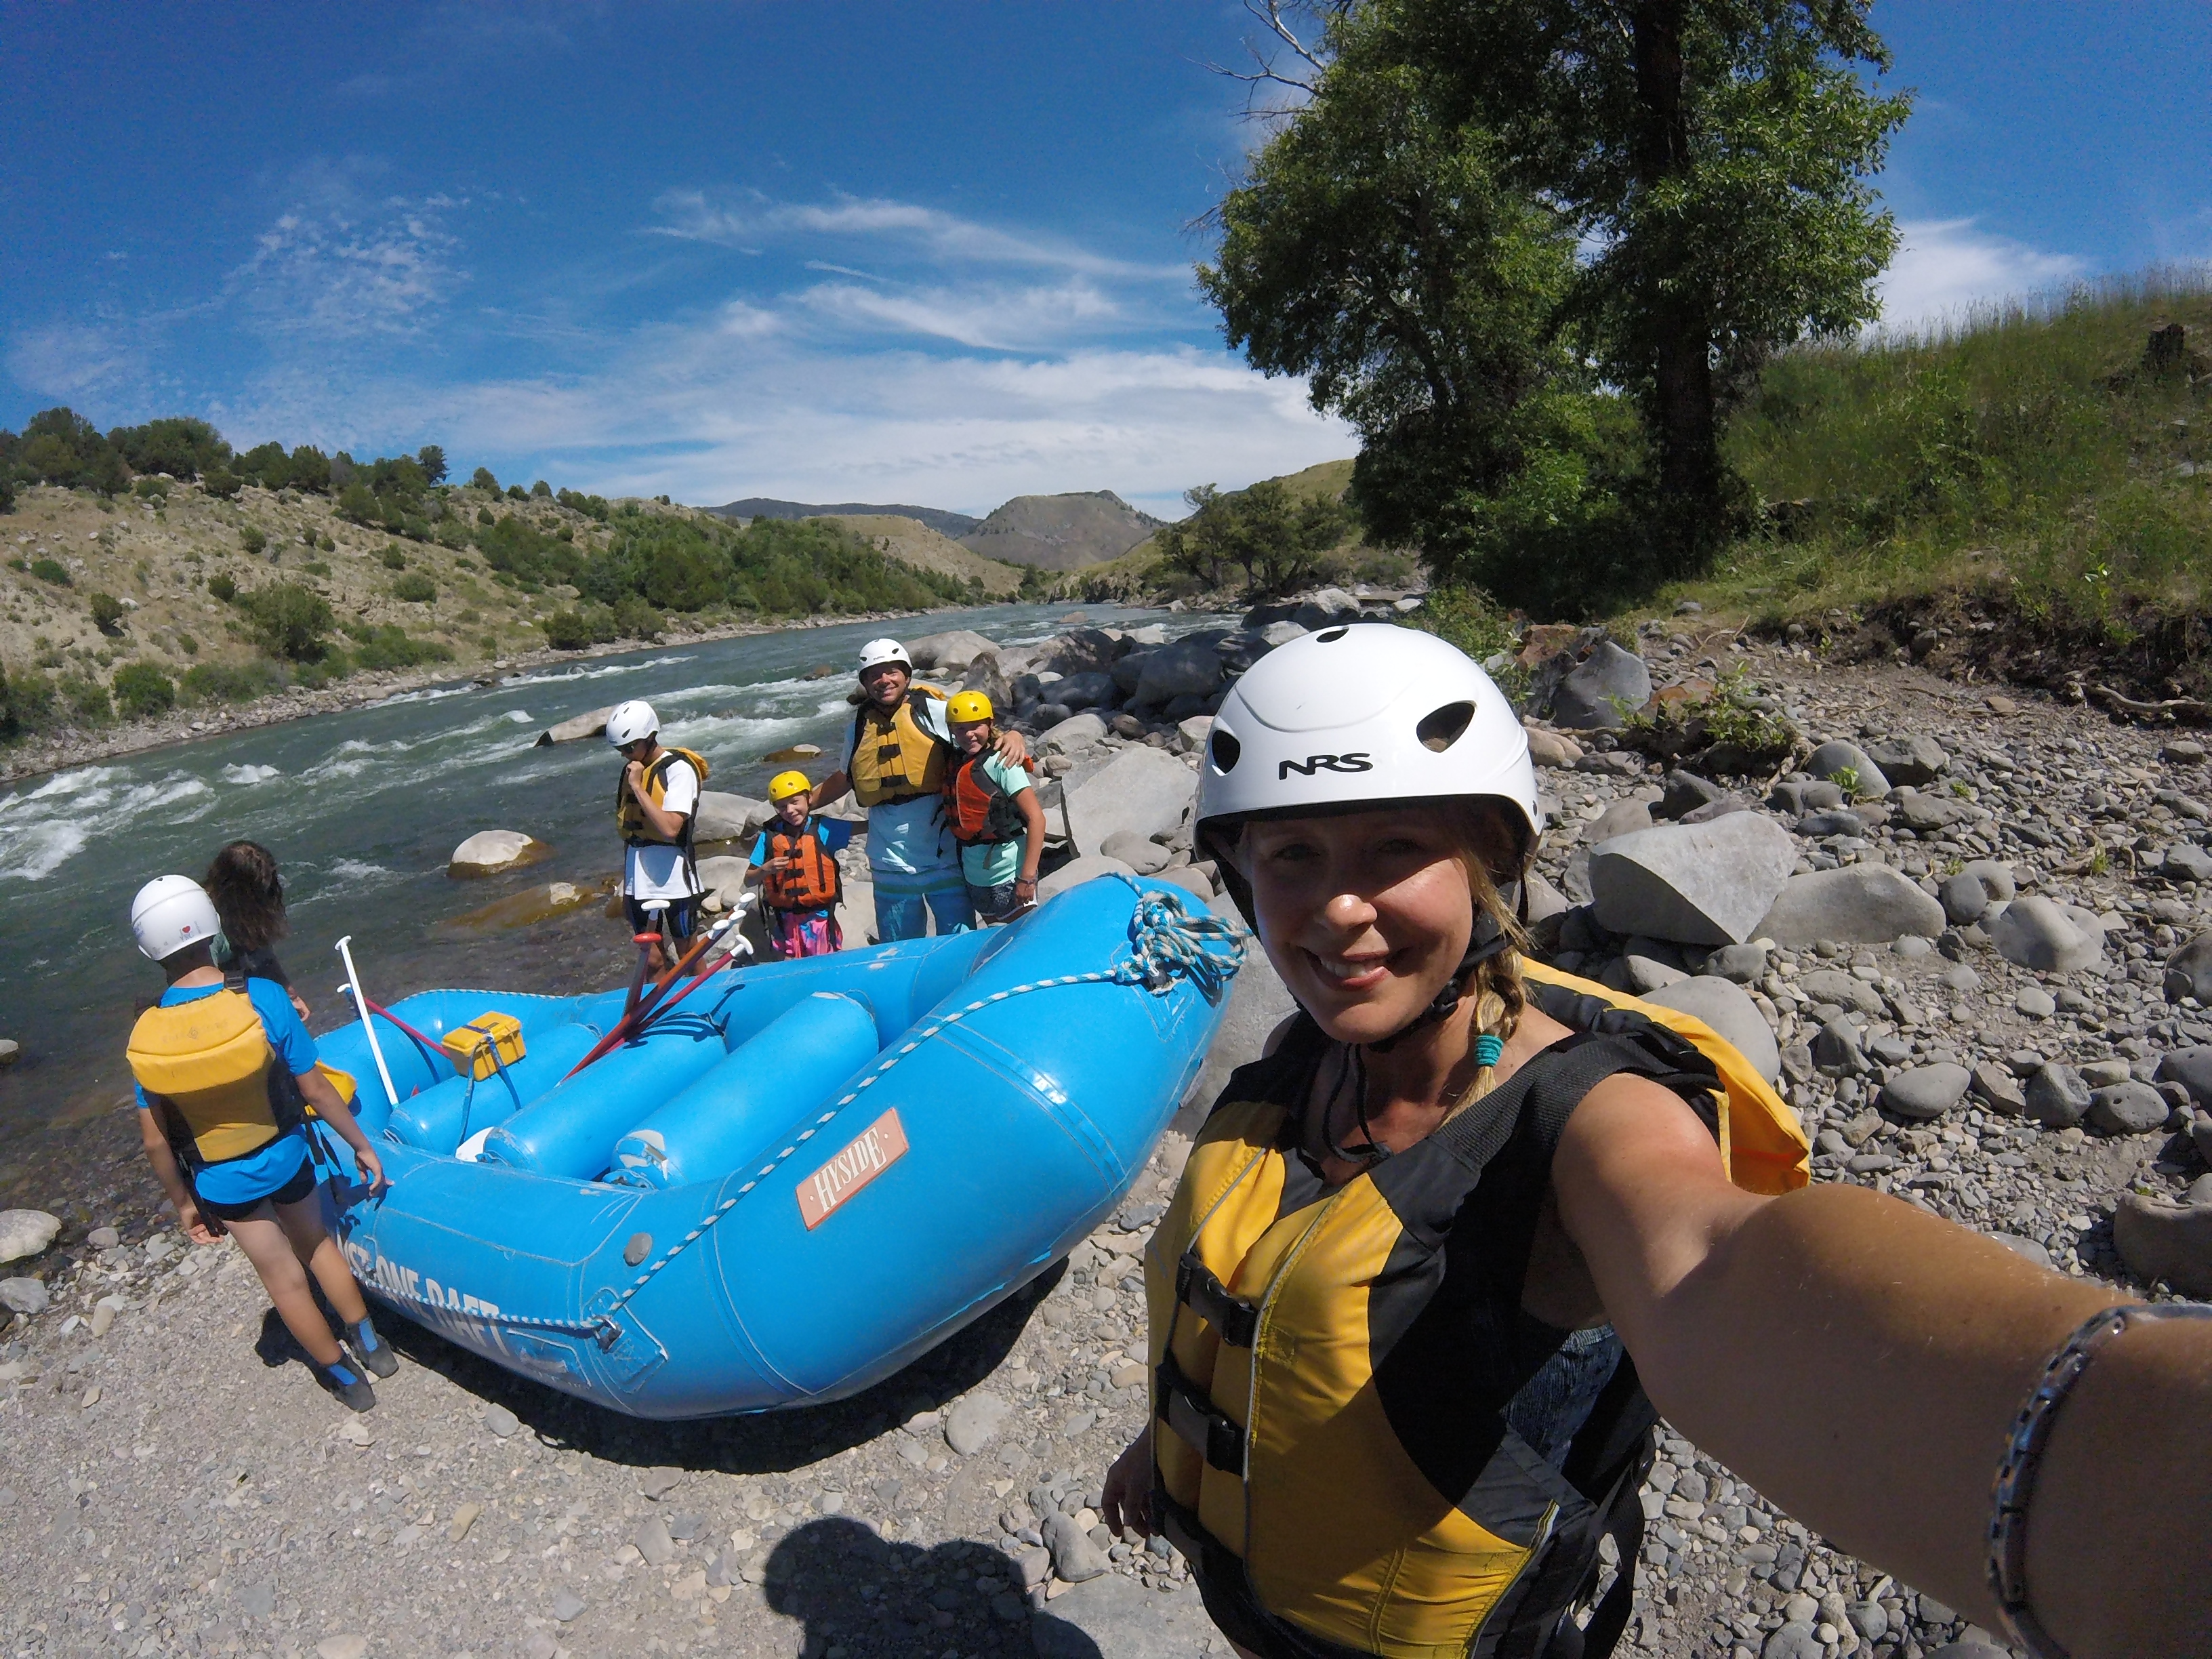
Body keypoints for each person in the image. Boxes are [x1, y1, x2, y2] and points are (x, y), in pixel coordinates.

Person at [1100, 624, 2212, 1659]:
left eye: (1394, 847)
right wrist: (1169, 1441)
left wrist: (2123, 1456)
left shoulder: (1591, 1121)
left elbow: (1718, 1261)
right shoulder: (1306, 1055)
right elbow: (1246, 1305)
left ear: (1488, 862)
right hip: (1259, 1597)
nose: (1338, 908)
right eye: (1291, 853)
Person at [123, 875, 397, 1412]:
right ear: (212, 926)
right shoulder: (262, 997)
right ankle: (370, 1343)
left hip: (221, 1181)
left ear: (147, 949)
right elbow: (315, 1088)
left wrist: (184, 1204)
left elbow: (155, 1142)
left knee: (283, 1280)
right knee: (317, 1245)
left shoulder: (146, 1032)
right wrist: (360, 1144)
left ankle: (344, 1378)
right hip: (287, 1155)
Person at [810, 638, 1029, 942]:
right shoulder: (858, 727)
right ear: (865, 682)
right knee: (900, 947)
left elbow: (981, 734)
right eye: (874, 674)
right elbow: (845, 777)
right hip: (888, 862)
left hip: (944, 858)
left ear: (907, 675)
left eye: (892, 671)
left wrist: (1015, 735)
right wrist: (804, 803)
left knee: (957, 943)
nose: (883, 680)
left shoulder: (935, 711)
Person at [607, 699, 710, 972]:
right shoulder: (633, 770)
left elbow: (671, 828)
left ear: (650, 737)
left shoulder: (678, 770)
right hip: (638, 878)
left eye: (629, 747)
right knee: (651, 959)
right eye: (620, 749)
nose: (625, 755)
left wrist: (638, 788)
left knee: (688, 951)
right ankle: (663, 999)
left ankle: (704, 994)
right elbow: (629, 833)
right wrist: (627, 883)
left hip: (674, 874)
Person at [941, 691, 1046, 924]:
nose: (969, 734)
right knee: (996, 934)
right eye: (960, 728)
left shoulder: (1003, 762)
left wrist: (1027, 878)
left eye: (976, 726)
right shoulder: (956, 762)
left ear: (990, 724)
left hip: (1010, 874)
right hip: (976, 877)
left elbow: (1037, 819)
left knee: (1021, 937)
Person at [203, 838, 310, 1023]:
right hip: (216, 1001)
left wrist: (291, 995)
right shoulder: (208, 923)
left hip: (243, 986)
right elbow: (203, 989)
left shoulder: (246, 912)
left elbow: (265, 958)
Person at [749, 769, 854, 958]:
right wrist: (765, 869)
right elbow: (749, 880)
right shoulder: (768, 836)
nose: (790, 810)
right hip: (785, 922)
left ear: (809, 798)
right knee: (794, 967)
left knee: (824, 964)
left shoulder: (824, 828)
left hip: (820, 920)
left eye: (795, 802)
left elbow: (867, 826)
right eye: (782, 807)